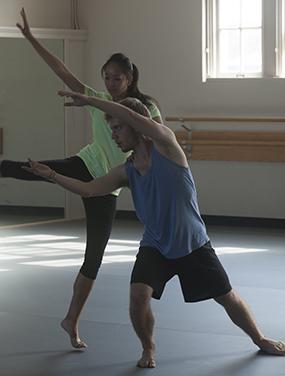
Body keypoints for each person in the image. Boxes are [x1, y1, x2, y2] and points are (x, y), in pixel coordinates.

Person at [24, 90, 285, 368]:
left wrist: (89, 100)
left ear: (134, 124)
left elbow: (133, 116)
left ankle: (259, 338)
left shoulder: (167, 147)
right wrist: (51, 176)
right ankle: (148, 349)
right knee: (138, 297)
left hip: (192, 243)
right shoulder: (126, 170)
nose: (113, 135)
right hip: (155, 245)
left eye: (117, 128)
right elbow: (89, 190)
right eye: (111, 129)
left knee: (226, 296)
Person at [0, 8, 162, 349]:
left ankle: (71, 320)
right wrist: (32, 38)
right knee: (30, 168)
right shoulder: (99, 100)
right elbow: (62, 70)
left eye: (116, 78)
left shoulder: (146, 108)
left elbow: (157, 138)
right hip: (85, 165)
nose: (110, 83)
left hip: (109, 186)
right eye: (106, 77)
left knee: (94, 258)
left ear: (129, 78)